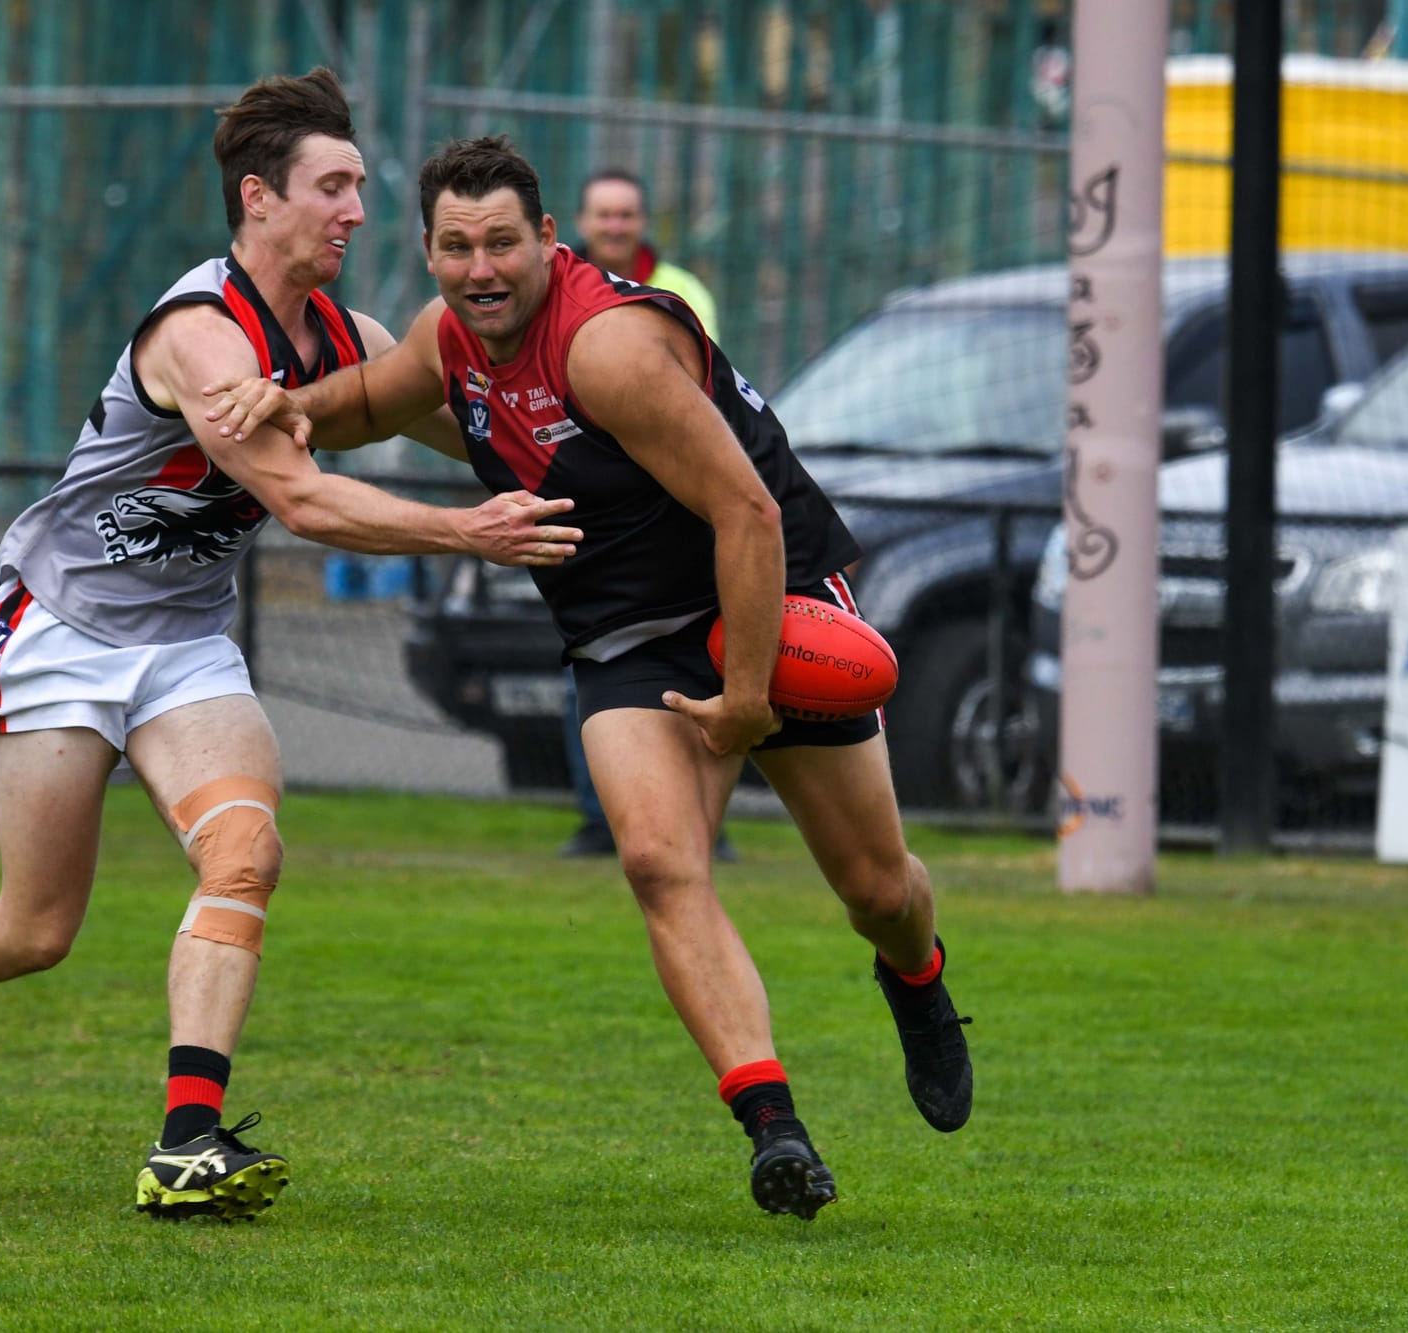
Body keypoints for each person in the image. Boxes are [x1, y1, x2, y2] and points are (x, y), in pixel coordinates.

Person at [0, 76, 582, 1223]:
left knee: (245, 853)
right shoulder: (198, 334)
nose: (358, 209)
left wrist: (597, 448)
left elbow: (474, 432)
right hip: (59, 630)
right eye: (335, 186)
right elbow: (302, 502)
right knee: (34, 928)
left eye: (359, 186)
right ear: (258, 199)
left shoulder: (343, 341)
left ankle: (186, 1140)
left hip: (182, 645)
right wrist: (472, 535)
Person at [204, 136, 972, 1222]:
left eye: (503, 244)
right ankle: (774, 1128)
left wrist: (748, 698)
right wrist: (287, 408)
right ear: (427, 252)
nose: (482, 269)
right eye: (457, 247)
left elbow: (745, 513)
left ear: (547, 240)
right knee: (660, 863)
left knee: (874, 887)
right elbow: (371, 400)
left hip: (759, 594)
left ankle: (918, 978)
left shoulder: (606, 348)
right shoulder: (449, 338)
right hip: (623, 631)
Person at [560, 169, 727, 859]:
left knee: (699, 662)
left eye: (627, 214)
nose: (616, 226)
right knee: (592, 658)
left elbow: (700, 388)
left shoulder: (683, 291)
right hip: (586, 505)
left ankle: (703, 824)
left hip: (671, 504)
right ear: (581, 219)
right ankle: (600, 818)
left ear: (643, 219)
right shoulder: (546, 291)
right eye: (605, 214)